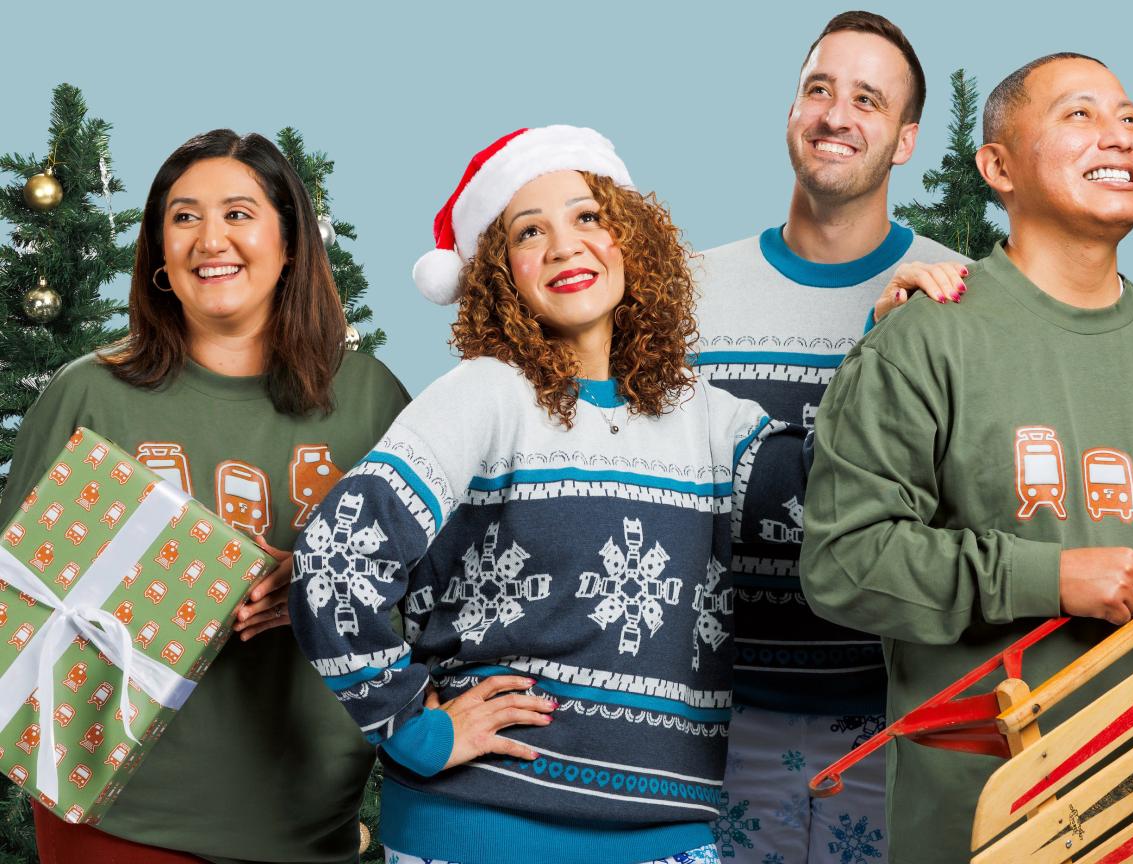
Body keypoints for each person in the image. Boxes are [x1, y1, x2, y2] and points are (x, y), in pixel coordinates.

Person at [290, 125, 962, 864]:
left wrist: (885, 345)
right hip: (484, 827)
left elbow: (827, 494)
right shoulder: (485, 395)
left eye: (587, 217)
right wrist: (416, 729)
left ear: (629, 238)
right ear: (497, 274)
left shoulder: (705, 416)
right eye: (529, 231)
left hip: (667, 835)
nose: (563, 245)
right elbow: (332, 563)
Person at [800, 53, 1133, 863]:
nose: (1118, 137)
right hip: (983, 833)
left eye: (1131, 118)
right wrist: (1050, 577)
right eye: (1079, 115)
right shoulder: (924, 341)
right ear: (998, 166)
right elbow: (843, 561)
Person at [0, 129, 409, 864]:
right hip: (118, 819)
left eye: (239, 214)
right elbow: (12, 601)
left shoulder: (370, 401)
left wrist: (317, 582)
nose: (209, 239)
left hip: (311, 820)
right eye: (184, 217)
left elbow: (438, 590)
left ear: (290, 245)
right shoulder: (89, 394)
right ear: (159, 253)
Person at [692, 11, 967, 862]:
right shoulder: (692, 295)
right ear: (790, 113)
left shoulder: (958, 297)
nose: (836, 115)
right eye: (819, 89)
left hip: (894, 724)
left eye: (867, 100)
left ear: (905, 139)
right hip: (711, 722)